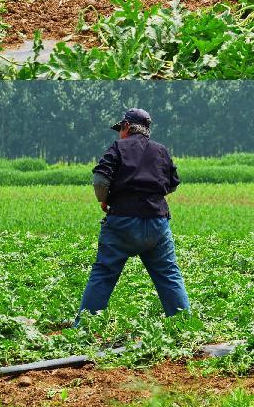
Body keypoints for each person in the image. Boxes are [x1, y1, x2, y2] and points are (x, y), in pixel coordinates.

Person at [75, 108, 190, 325]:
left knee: (103, 273)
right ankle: (184, 327)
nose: (120, 133)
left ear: (127, 126)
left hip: (122, 223)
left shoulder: (118, 147)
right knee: (169, 275)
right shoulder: (161, 151)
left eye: (121, 129)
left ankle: (85, 327)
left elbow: (100, 180)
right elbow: (173, 185)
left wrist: (104, 199)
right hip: (157, 223)